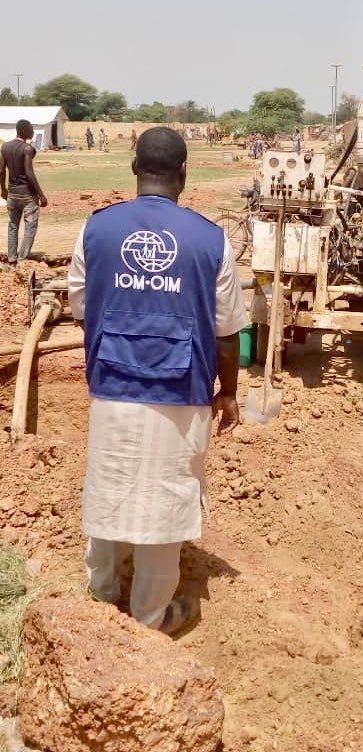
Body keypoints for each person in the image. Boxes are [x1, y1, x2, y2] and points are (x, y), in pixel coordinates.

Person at [68, 127, 247, 635]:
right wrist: (229, 393)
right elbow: (227, 332)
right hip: (182, 392)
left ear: (134, 168)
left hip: (112, 385)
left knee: (109, 483)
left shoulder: (95, 229)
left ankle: (101, 594)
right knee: (168, 498)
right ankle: (150, 616)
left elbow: (81, 305)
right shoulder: (211, 239)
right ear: (184, 173)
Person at [0, 119, 47, 265]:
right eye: (31, 129)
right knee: (30, 226)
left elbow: (1, 171)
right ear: (24, 130)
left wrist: (3, 189)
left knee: (13, 225)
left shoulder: (5, 147)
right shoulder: (27, 148)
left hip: (12, 192)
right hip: (27, 193)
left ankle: (12, 258)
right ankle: (22, 259)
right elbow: (29, 173)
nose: (33, 131)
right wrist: (41, 194)